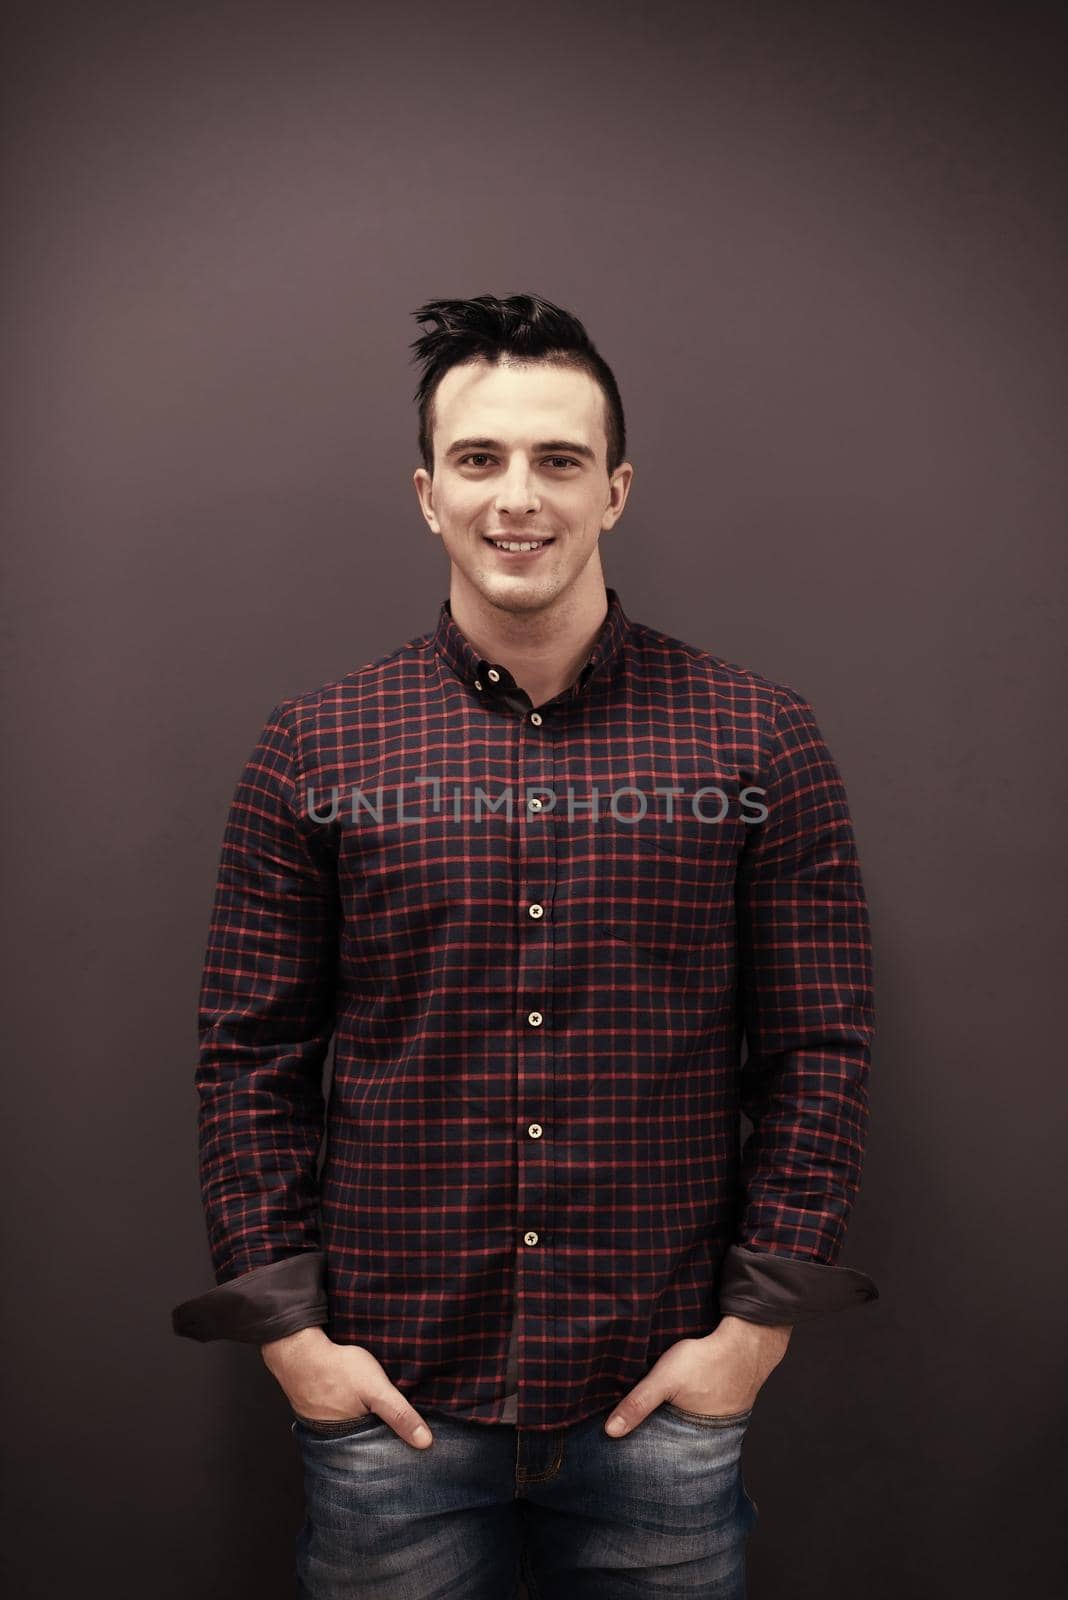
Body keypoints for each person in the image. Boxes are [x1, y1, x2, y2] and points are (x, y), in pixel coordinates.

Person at [172, 292, 878, 1598]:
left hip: (662, 1412)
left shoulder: (759, 740)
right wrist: (294, 1343)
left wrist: (754, 1333)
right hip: (393, 1415)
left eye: (558, 460)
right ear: (427, 493)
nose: (519, 497)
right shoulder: (317, 749)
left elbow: (819, 1049)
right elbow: (246, 1060)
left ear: (614, 490)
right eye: (480, 459)